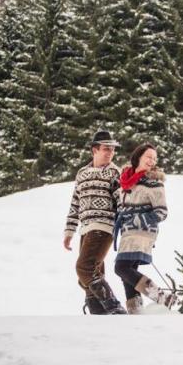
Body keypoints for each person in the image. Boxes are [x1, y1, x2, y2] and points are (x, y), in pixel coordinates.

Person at [64, 130, 126, 315]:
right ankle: (99, 315)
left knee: (85, 268)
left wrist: (125, 228)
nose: (110, 153)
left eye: (113, 150)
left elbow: (122, 201)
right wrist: (69, 231)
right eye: (106, 149)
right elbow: (75, 202)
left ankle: (114, 307)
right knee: (89, 275)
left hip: (104, 226)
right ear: (94, 150)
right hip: (85, 228)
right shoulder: (82, 173)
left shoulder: (114, 172)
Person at [113, 143, 174, 314]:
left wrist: (138, 219)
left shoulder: (155, 183)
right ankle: (136, 312)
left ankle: (161, 297)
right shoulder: (125, 181)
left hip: (142, 231)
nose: (152, 160)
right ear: (138, 156)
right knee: (128, 271)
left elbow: (162, 212)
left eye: (154, 158)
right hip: (127, 231)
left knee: (121, 268)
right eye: (149, 156)